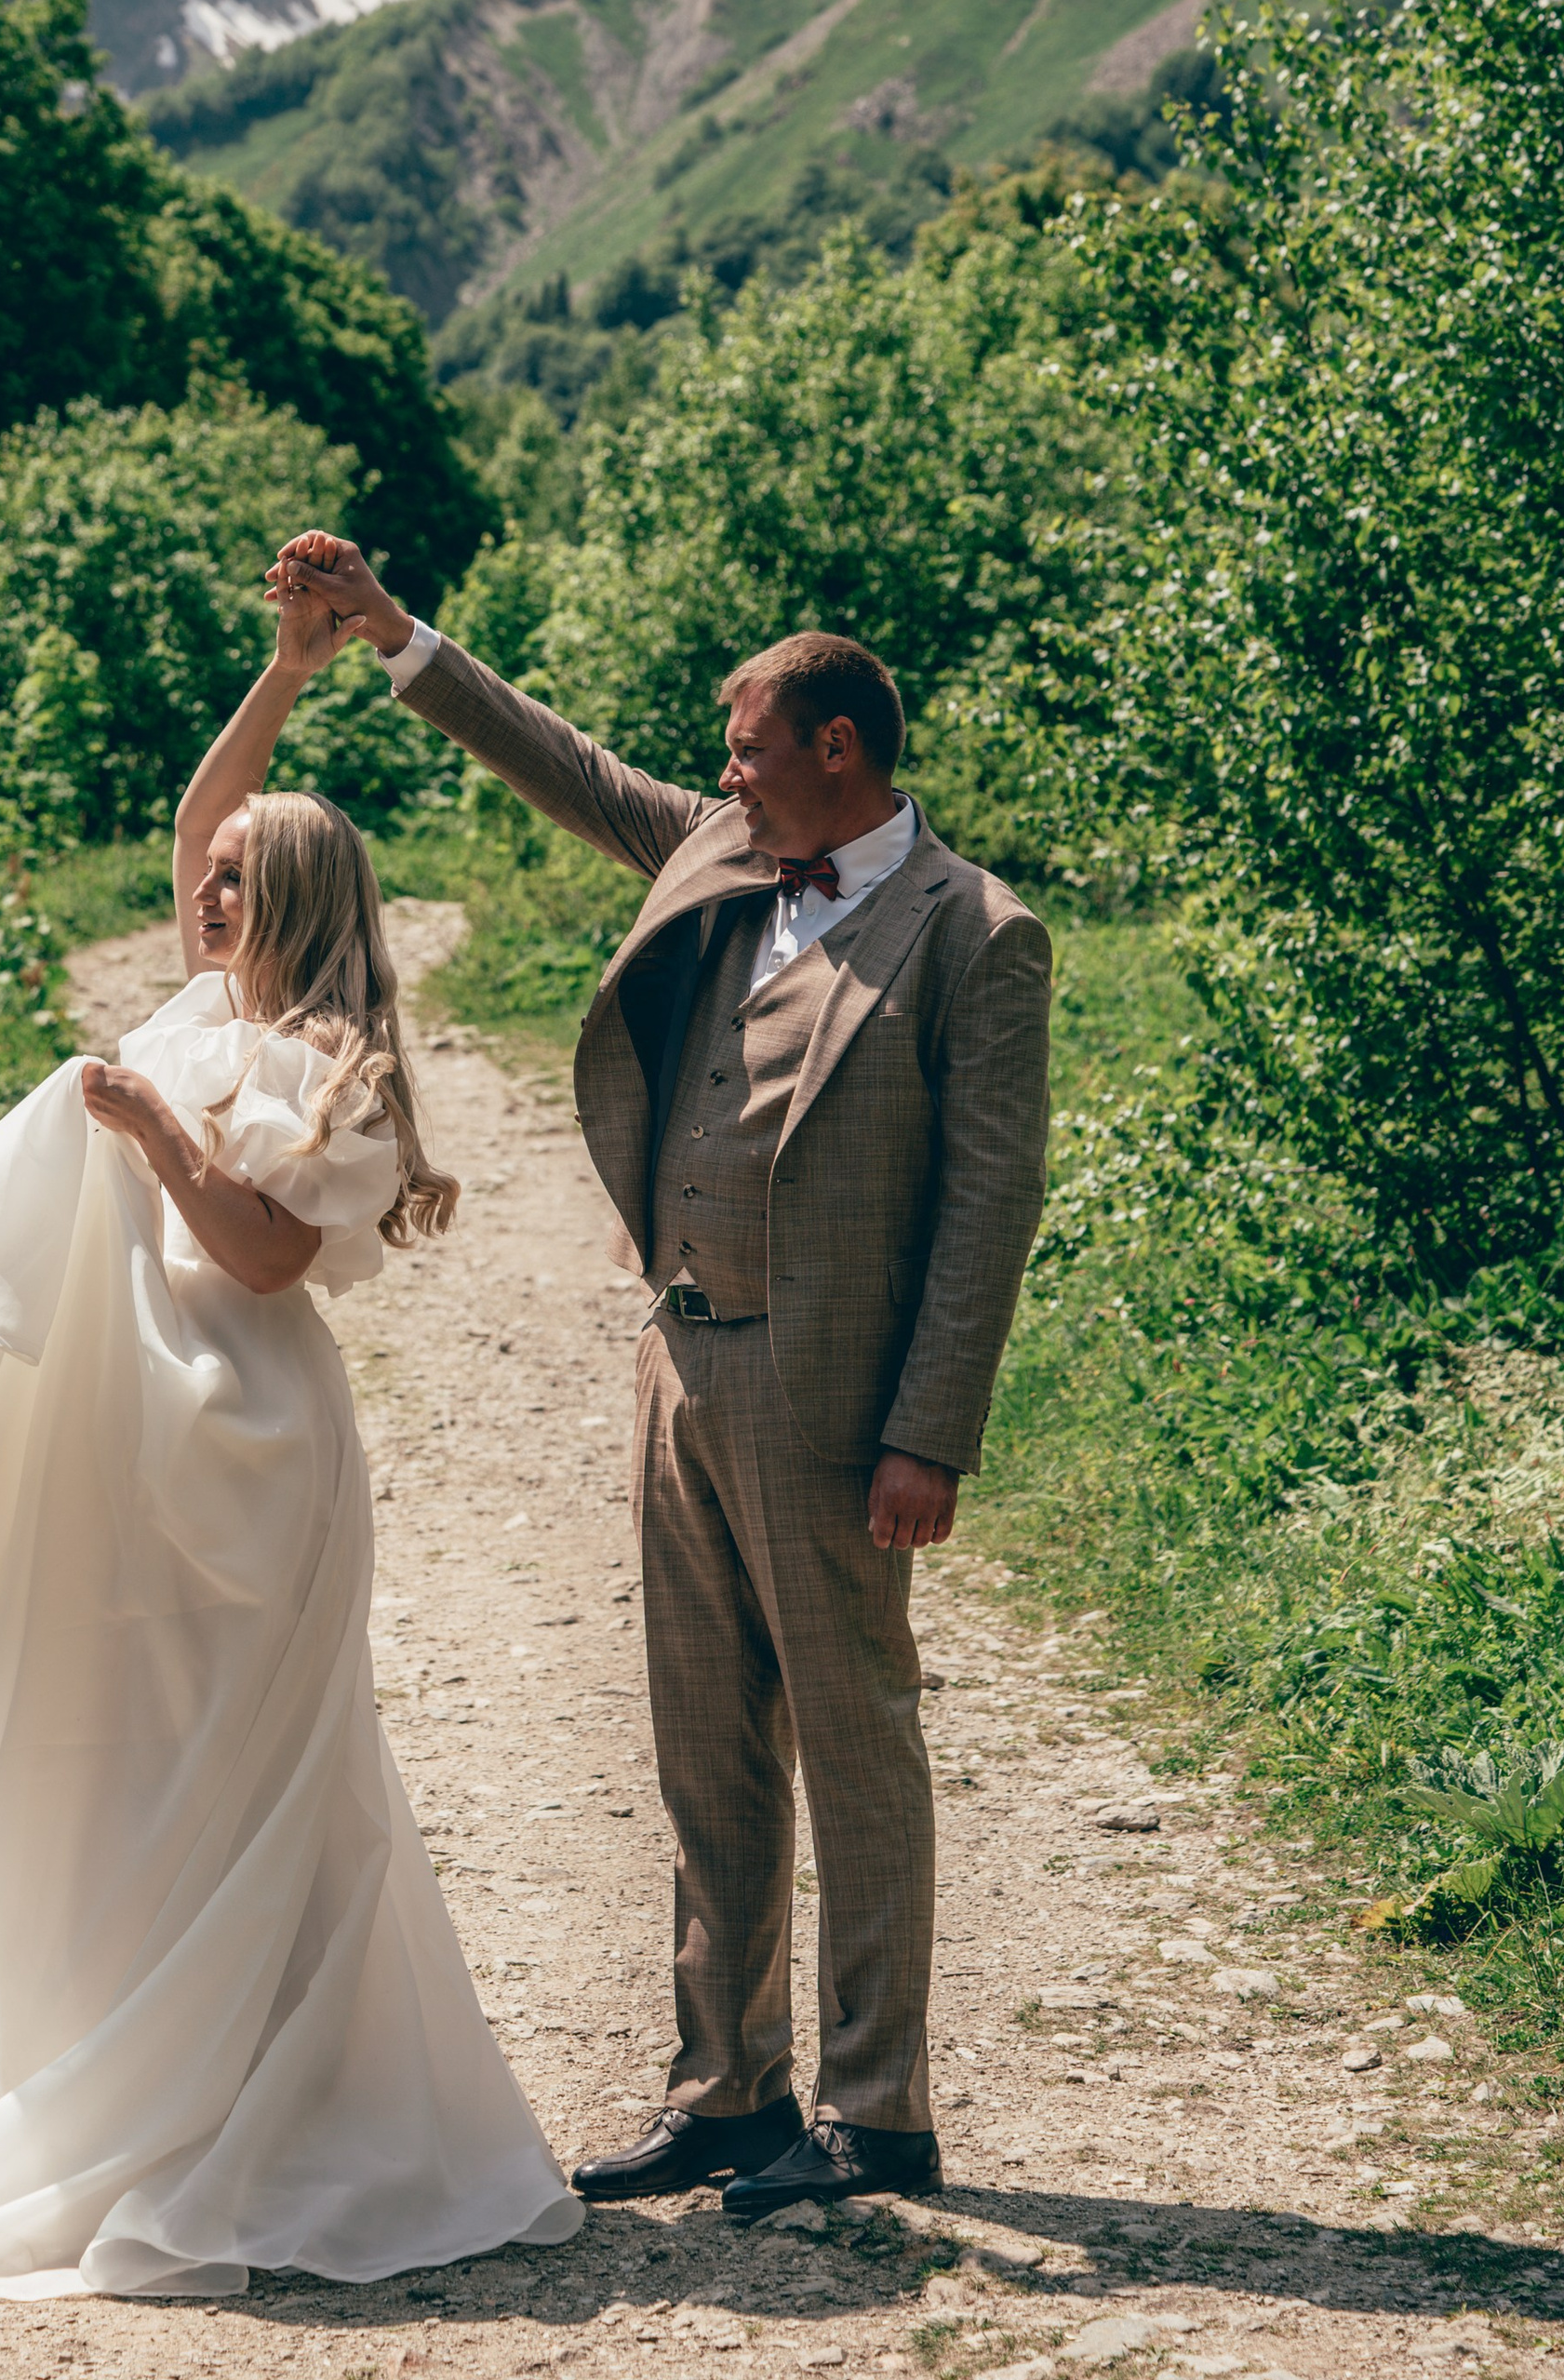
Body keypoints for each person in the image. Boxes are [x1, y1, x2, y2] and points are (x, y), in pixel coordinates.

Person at [0, 582, 582, 2300]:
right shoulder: (201, 1017)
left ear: (288, 903)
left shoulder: (321, 1068)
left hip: (249, 1450)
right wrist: (286, 672)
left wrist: (148, 1135)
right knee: (135, 1768)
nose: (201, 890)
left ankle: (286, 2121)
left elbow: (268, 1257)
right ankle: (148, 2083)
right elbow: (205, 803)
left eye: (232, 883)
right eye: (205, 880)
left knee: (264, 1784)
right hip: (127, 1432)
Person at [272, 532, 1050, 2222]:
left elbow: (992, 1204)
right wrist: (397, 636)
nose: (724, 773)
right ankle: (727, 2093)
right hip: (677, 1367)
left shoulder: (975, 932)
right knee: (704, 1750)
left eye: (751, 746)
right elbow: (559, 760)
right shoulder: (718, 849)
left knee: (854, 1739)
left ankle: (878, 2110)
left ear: (836, 749)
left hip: (838, 1395)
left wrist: (933, 1433)